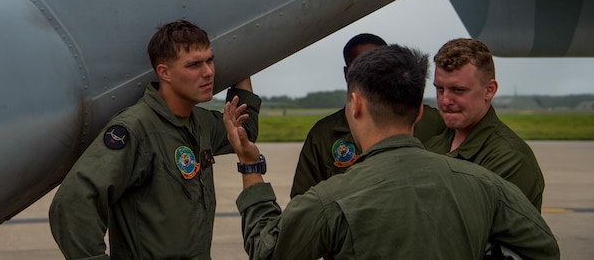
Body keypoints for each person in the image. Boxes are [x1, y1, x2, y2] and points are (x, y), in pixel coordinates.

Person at [223, 45, 559, 260]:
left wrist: (250, 166)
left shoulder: (332, 199)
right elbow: (542, 247)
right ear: (418, 112)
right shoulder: (484, 184)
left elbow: (265, 249)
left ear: (355, 105)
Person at [48, 19, 261, 259]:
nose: (208, 72)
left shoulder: (200, 123)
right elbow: (71, 204)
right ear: (164, 72)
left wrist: (245, 59)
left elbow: (246, 130)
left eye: (210, 60)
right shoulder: (136, 129)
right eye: (194, 65)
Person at [290, 33, 446, 197]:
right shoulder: (323, 134)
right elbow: (303, 202)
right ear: (347, 74)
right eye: (358, 66)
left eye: (380, 65)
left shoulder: (434, 121)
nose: (369, 73)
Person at [425, 38, 545, 211]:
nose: (445, 101)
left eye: (458, 90)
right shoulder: (435, 144)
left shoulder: (510, 159)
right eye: (440, 89)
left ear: (489, 90)